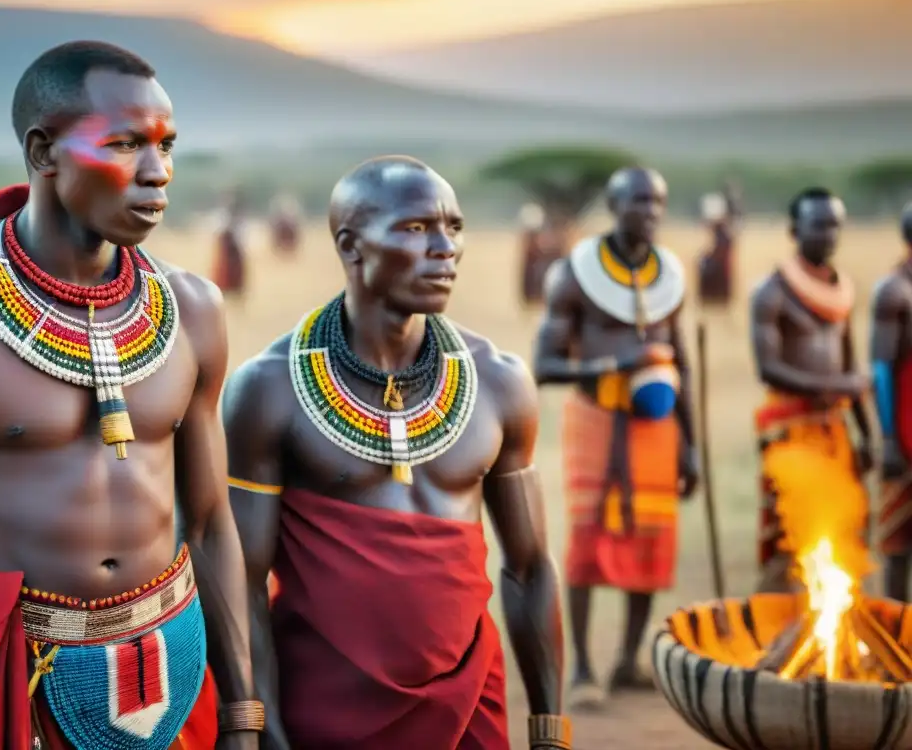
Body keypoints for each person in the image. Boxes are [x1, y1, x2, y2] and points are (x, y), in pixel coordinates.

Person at [0, 41, 259, 750]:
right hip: (9, 691)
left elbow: (211, 523)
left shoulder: (195, 308)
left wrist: (243, 711)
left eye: (166, 145)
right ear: (44, 150)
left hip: (177, 675)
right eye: (124, 145)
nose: (159, 174)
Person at [222, 155, 570, 750]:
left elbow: (530, 565)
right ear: (351, 246)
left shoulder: (501, 383)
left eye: (454, 227)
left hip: (468, 706)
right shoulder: (269, 388)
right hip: (322, 710)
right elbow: (242, 580)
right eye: (415, 229)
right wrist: (258, 724)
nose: (446, 249)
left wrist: (549, 732)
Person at [533, 166, 698, 708]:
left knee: (651, 540)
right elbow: (544, 365)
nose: (648, 212)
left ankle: (628, 661)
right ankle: (581, 668)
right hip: (596, 420)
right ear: (613, 203)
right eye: (637, 202)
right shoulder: (574, 275)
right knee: (585, 543)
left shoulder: (669, 277)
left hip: (656, 426)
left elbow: (683, 363)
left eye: (657, 202)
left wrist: (690, 443)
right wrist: (616, 362)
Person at [749, 187, 873, 593]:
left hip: (833, 431)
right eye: (819, 224)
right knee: (793, 533)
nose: (829, 233)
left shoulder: (843, 291)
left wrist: (868, 434)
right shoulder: (772, 293)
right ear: (794, 230)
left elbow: (850, 367)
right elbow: (768, 369)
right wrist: (835, 386)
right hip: (790, 432)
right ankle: (781, 634)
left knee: (842, 528)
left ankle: (830, 638)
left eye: (836, 224)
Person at [870, 203, 912, 601]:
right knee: (898, 546)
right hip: (905, 437)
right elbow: (881, 369)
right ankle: (897, 644)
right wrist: (887, 438)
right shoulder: (895, 291)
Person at [696, 191, 735, 306]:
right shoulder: (722, 230)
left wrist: (708, 257)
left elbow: (720, 251)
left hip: (719, 264)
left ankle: (710, 297)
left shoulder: (724, 232)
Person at [212, 192, 247, 300]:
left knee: (235, 273)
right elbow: (217, 231)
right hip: (226, 249)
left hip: (234, 249)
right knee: (224, 272)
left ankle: (236, 293)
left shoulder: (239, 218)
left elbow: (241, 234)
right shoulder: (222, 215)